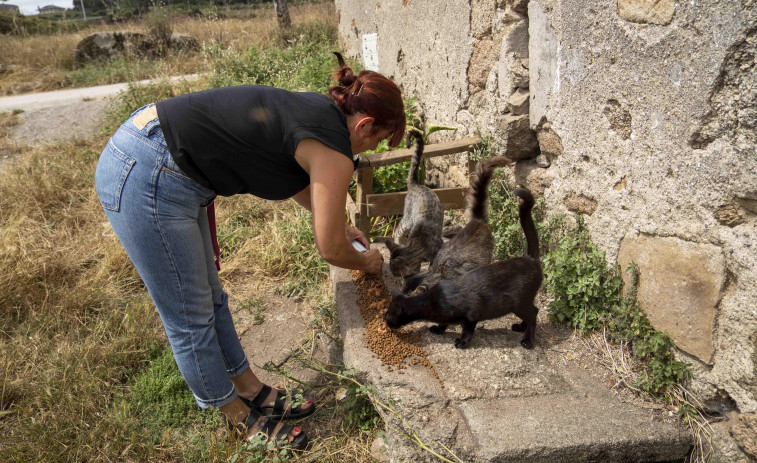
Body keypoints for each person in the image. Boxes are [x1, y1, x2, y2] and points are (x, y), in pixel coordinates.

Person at [94, 53, 405, 448]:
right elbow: (330, 250)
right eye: (376, 140)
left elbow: (291, 177)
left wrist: (340, 223)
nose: (372, 149)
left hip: (156, 151)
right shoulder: (334, 148)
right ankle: (238, 417)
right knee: (190, 317)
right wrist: (367, 261)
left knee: (211, 299)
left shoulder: (318, 113)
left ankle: (249, 388)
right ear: (364, 124)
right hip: (149, 173)